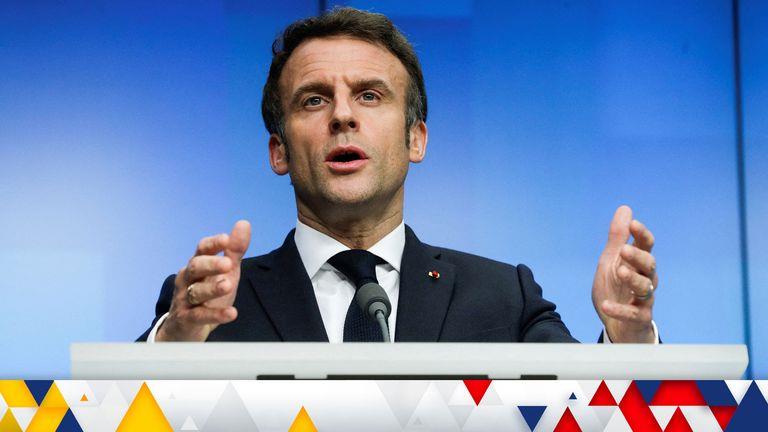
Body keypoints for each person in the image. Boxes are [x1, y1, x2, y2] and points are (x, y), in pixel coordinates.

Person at [138, 7, 659, 344]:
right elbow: (123, 415)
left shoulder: (505, 297)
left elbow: (586, 414)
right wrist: (174, 344)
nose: (343, 115)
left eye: (369, 95)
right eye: (314, 100)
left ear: (416, 139)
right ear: (279, 152)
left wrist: (627, 341)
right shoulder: (209, 307)